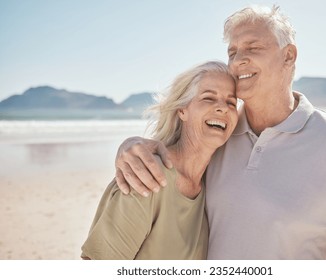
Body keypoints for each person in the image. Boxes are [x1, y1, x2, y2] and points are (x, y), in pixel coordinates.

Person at [114, 5, 326, 259]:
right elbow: (173, 159)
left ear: (288, 55)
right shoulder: (217, 136)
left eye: (252, 48)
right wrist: (132, 145)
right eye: (232, 52)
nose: (237, 62)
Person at [81, 61, 238, 259]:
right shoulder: (147, 175)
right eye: (208, 98)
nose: (222, 108)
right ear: (182, 110)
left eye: (231, 102)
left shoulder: (215, 183)